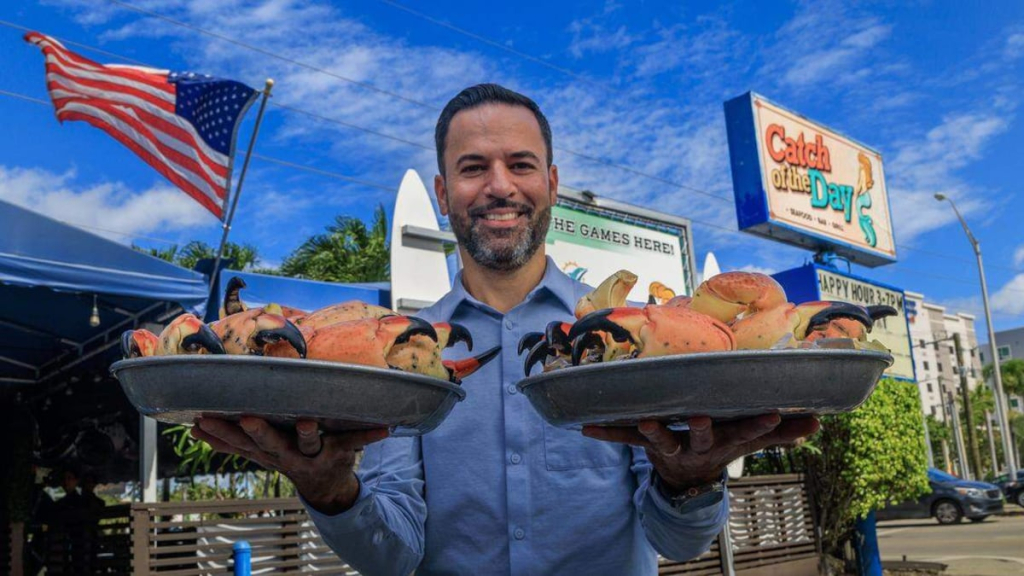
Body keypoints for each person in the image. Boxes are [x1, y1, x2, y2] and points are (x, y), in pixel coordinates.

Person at [193, 83, 819, 575]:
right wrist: (330, 490)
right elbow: (393, 555)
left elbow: (675, 543)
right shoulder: (394, 353)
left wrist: (690, 480)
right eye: (473, 168)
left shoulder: (631, 339)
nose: (499, 186)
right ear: (443, 193)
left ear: (552, 183)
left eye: (521, 164)